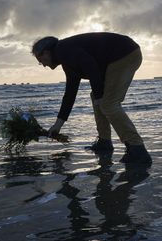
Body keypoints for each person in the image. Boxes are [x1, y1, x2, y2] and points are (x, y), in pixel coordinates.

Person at [31, 32, 152, 164]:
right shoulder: (66, 59)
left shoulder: (63, 50)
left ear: (46, 52)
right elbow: (70, 93)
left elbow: (91, 66)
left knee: (108, 103)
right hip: (122, 55)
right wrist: (58, 125)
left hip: (125, 54)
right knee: (97, 98)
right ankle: (104, 142)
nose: (42, 64)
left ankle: (137, 149)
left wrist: (100, 97)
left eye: (40, 60)